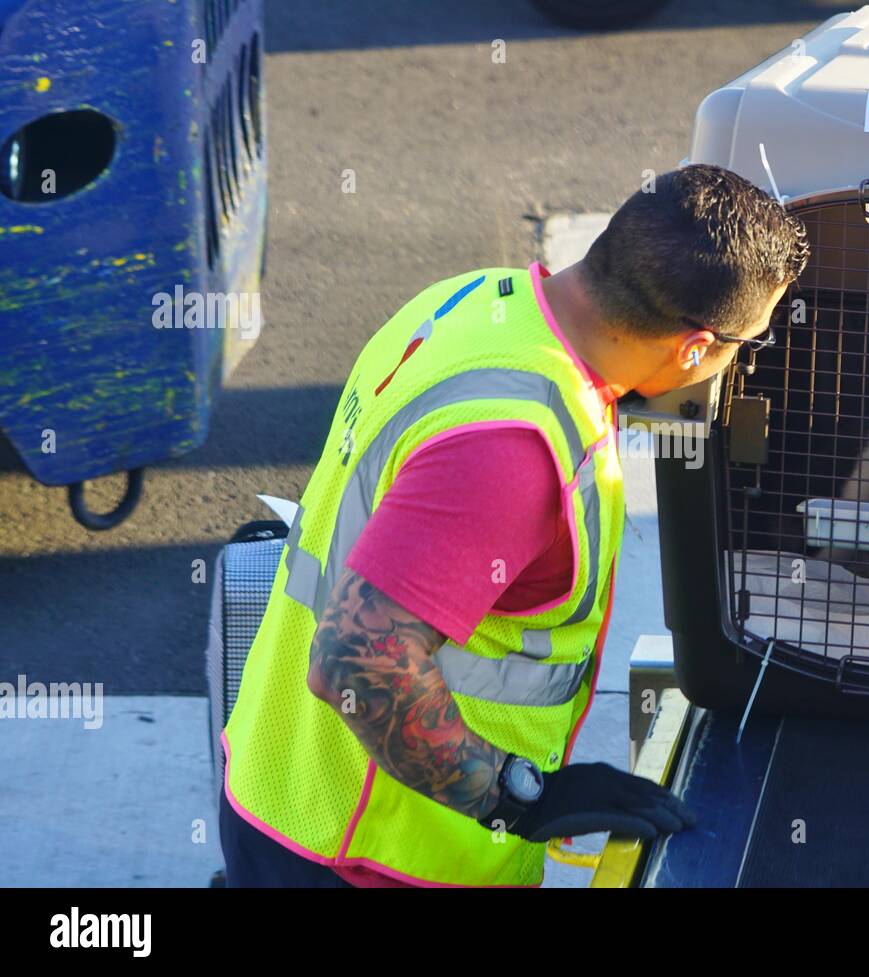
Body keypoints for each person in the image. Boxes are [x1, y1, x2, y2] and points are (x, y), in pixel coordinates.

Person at [218, 163, 810, 887]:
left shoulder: (475, 301)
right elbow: (356, 658)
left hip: (277, 786)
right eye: (742, 345)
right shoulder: (520, 449)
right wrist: (519, 796)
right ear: (692, 348)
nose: (740, 364)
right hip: (373, 858)